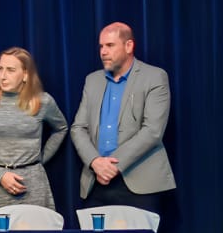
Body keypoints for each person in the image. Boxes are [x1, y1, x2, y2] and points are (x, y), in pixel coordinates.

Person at [70, 22, 174, 212]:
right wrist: (95, 162)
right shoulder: (92, 80)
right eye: (101, 46)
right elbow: (78, 128)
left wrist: (112, 166)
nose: (103, 52)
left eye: (109, 46)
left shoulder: (154, 77)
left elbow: (152, 131)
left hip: (140, 183)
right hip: (96, 183)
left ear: (128, 46)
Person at [0, 47, 68, 229]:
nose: (3, 76)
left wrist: (39, 160)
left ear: (25, 74)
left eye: (10, 70)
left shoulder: (43, 101)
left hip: (32, 186)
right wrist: (1, 176)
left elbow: (61, 128)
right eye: (0, 69)